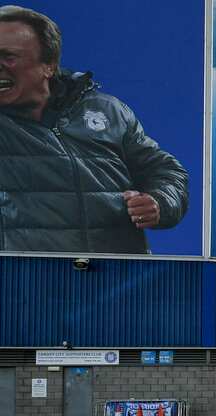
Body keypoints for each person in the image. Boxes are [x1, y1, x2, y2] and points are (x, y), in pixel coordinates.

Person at [0, 5, 188, 253]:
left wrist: (160, 202)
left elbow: (165, 171)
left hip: (120, 281)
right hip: (29, 283)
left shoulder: (108, 111)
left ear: (49, 65)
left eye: (8, 57)